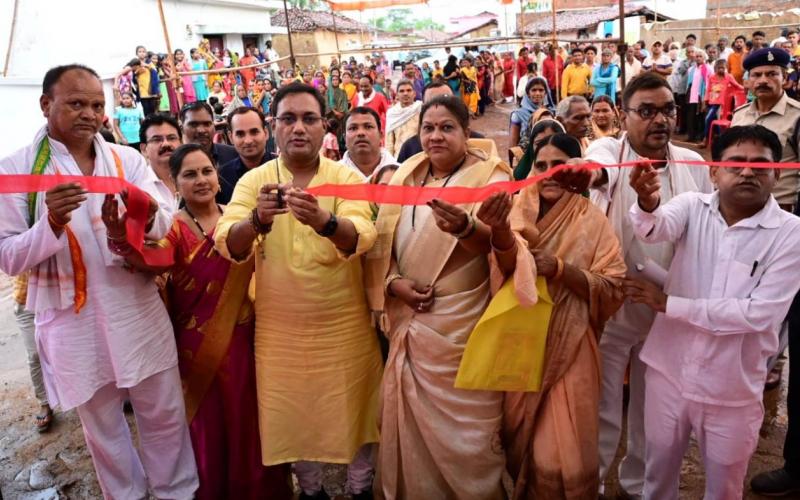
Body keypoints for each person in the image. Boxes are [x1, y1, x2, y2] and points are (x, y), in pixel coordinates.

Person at [0, 64, 197, 498]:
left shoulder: (125, 160)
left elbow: (164, 220)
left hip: (136, 310)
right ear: (45, 105)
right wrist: (49, 222)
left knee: (164, 415)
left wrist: (133, 212)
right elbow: (9, 257)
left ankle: (177, 492)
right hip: (73, 321)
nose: (89, 114)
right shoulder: (17, 172)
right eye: (76, 103)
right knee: (104, 429)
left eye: (96, 105)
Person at [214, 82, 381, 499]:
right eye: (288, 119)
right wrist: (255, 221)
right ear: (274, 127)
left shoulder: (344, 178)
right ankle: (311, 491)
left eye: (308, 118)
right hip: (281, 332)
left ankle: (360, 488)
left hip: (343, 326)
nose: (298, 128)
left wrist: (325, 221)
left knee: (357, 410)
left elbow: (363, 234)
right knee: (293, 415)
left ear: (325, 126)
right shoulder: (255, 181)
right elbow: (226, 241)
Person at [111, 143, 293, 499]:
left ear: (218, 174)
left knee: (249, 418)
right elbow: (156, 258)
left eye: (207, 171)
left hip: (247, 339)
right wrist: (123, 239)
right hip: (197, 348)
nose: (201, 180)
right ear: (175, 184)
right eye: (189, 174)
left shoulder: (235, 218)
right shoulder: (175, 229)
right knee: (209, 423)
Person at [627, 125, 800, 499]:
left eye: (760, 164)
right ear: (714, 171)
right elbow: (653, 229)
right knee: (656, 478)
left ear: (778, 172)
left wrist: (669, 304)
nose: (748, 171)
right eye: (736, 162)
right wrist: (646, 201)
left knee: (724, 488)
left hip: (731, 388)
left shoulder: (791, 235)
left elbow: (758, 315)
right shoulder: (692, 206)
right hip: (668, 373)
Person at [365, 95, 511, 499]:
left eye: (447, 127)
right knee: (410, 426)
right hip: (411, 322)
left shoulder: (491, 176)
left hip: (464, 325)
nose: (435, 136)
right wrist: (394, 283)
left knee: (471, 432)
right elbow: (384, 247)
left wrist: (466, 229)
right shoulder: (407, 176)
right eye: (428, 128)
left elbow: (502, 248)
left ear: (467, 132)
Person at [586, 72, 713, 500]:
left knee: (650, 408)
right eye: (646, 111)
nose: (660, 120)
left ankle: (638, 485)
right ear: (624, 115)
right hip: (609, 306)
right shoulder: (609, 152)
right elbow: (596, 167)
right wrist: (593, 175)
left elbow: (705, 231)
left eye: (668, 110)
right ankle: (594, 483)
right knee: (601, 407)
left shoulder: (694, 165)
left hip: (665, 308)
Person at [490, 133, 626, 499]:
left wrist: (560, 269)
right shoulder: (515, 208)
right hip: (520, 341)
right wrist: (500, 232)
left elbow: (614, 286)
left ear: (577, 171)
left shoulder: (593, 219)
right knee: (522, 442)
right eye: (541, 165)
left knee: (563, 449)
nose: (549, 173)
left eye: (560, 165)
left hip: (573, 345)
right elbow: (500, 270)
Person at [732, 47, 800, 211]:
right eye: (756, 75)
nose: (763, 80)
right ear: (748, 81)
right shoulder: (739, 115)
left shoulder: (797, 116)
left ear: (784, 78)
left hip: (781, 210)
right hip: (739, 206)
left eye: (771, 74)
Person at [396, 82, 485, 163]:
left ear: (466, 134)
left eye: (447, 127)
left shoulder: (480, 146)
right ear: (423, 107)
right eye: (432, 102)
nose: (436, 137)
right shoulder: (409, 148)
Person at [217, 107, 271, 204]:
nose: (248, 141)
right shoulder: (222, 177)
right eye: (240, 134)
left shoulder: (284, 170)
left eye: (254, 132)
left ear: (266, 133)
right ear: (231, 137)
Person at [341, 107, 397, 179]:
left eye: (368, 127)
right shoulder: (333, 175)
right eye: (353, 128)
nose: (361, 133)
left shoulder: (400, 174)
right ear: (345, 137)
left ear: (381, 135)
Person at [700, 59, 745, 148]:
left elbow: (737, 85)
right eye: (719, 68)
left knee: (708, 119)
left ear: (726, 68)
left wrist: (746, 89)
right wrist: (705, 101)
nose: (721, 70)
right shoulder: (712, 77)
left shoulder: (728, 77)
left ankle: (705, 139)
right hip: (712, 102)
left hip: (721, 104)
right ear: (715, 68)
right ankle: (718, 136)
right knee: (713, 120)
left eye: (723, 68)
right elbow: (708, 90)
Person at [140, 113, 182, 206]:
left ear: (181, 143)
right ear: (144, 149)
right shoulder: (139, 185)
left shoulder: (194, 178)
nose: (166, 144)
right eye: (157, 140)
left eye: (171, 138)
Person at [180, 101, 238, 170]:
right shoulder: (173, 160)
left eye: (207, 124)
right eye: (194, 124)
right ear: (181, 128)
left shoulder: (232, 155)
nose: (201, 130)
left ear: (214, 126)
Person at [510, 77, 554, 156]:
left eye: (541, 90)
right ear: (528, 93)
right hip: (526, 157)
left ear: (545, 93)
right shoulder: (518, 115)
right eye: (533, 90)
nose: (537, 93)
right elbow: (512, 144)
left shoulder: (551, 113)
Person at [385, 79, 421, 158]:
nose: (405, 93)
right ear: (397, 95)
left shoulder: (421, 109)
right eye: (401, 91)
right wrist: (390, 162)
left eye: (409, 90)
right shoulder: (392, 113)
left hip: (419, 155)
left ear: (414, 93)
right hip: (399, 157)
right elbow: (389, 142)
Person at [686, 49, 712, 143]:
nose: (698, 58)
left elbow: (710, 83)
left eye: (700, 56)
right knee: (691, 116)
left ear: (704, 57)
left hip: (702, 95)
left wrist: (706, 96)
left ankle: (700, 136)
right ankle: (691, 136)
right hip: (692, 95)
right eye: (697, 56)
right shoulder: (691, 69)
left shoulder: (708, 68)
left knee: (701, 117)